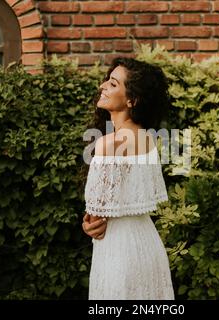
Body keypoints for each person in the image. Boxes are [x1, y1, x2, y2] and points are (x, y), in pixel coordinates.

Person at [82, 57, 175, 300]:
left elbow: (95, 217)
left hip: (119, 251)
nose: (103, 86)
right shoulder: (148, 138)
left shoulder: (108, 144)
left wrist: (88, 223)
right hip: (147, 245)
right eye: (107, 81)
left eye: (113, 84)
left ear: (132, 100)